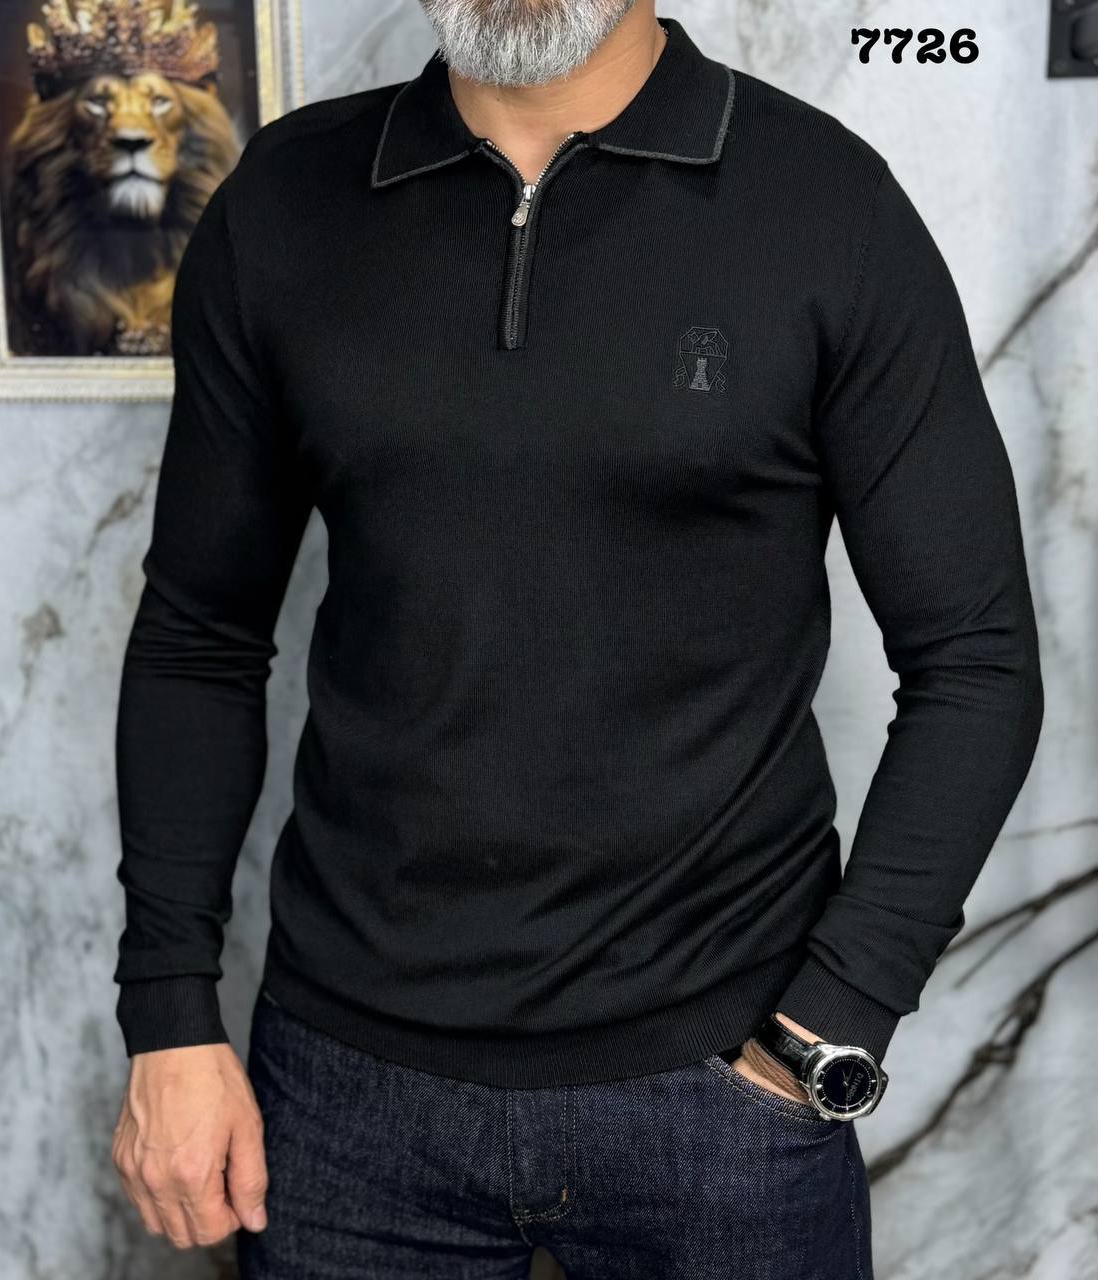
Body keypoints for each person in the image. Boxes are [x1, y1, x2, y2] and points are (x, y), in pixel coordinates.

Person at [108, 2, 1044, 1276]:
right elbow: (198, 634)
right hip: (343, 1097)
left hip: (720, 1097)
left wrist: (827, 1023)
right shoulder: (285, 199)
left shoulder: (824, 204)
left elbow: (975, 657)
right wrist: (168, 1010)